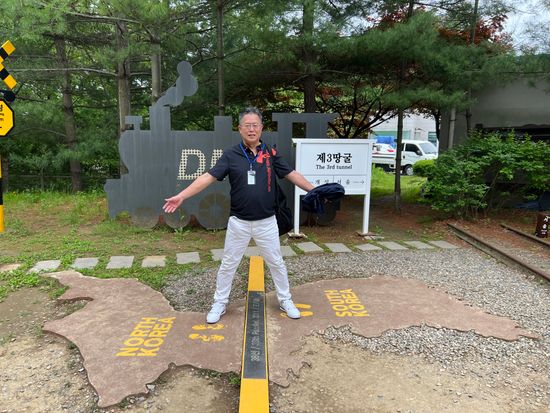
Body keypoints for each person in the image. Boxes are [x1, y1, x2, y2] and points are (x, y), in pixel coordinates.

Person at [163, 107, 314, 323]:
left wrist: (314, 190)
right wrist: (182, 196)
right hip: (239, 223)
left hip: (266, 222)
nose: (251, 129)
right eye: (247, 125)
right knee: (228, 264)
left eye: (255, 125)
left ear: (261, 128)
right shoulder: (231, 155)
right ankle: (219, 303)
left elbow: (291, 174)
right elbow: (208, 177)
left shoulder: (270, 154)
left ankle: (285, 299)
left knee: (276, 263)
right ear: (240, 129)